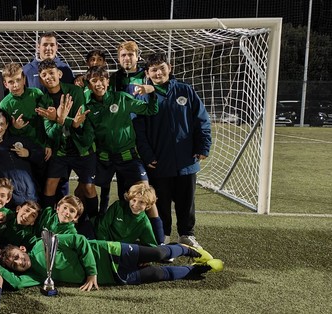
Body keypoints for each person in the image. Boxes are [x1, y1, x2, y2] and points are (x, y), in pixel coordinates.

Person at [133, 52, 212, 248]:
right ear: (147, 73)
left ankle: (186, 234)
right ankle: (164, 235)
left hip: (186, 159)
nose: (158, 73)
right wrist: (147, 154)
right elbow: (138, 131)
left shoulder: (185, 90)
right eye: (154, 70)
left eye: (161, 68)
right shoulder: (144, 97)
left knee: (186, 201)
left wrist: (203, 145)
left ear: (170, 68)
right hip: (159, 160)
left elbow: (201, 120)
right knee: (162, 201)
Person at [0, 233, 222, 291]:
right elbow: (19, 284)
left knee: (158, 254)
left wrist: (91, 273)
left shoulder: (45, 241)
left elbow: (81, 241)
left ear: (22, 249)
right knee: (157, 275)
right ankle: (192, 270)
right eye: (14, 264)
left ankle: (187, 249)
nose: (18, 262)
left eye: (16, 257)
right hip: (112, 277)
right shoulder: (36, 276)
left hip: (111, 252)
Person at [81, 66, 158, 217]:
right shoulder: (87, 107)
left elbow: (150, 110)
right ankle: (92, 222)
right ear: (89, 85)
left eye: (102, 80)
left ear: (108, 82)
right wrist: (77, 125)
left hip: (127, 156)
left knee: (145, 191)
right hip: (104, 159)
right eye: (94, 81)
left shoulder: (121, 98)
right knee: (86, 187)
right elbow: (87, 138)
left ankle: (159, 236)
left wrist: (152, 92)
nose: (99, 84)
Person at [35, 60, 96, 221]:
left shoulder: (75, 92)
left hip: (82, 148)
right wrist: (59, 121)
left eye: (51, 72)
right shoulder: (43, 101)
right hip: (60, 150)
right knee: (50, 186)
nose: (49, 77)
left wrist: (60, 119)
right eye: (44, 75)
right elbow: (50, 133)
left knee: (88, 188)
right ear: (41, 80)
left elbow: (79, 121)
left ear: (59, 74)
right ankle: (47, 221)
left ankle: (92, 222)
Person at [93, 183, 164, 247]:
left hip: (121, 248)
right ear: (129, 198)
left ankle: (173, 248)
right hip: (100, 238)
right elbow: (101, 227)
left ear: (147, 205)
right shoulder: (118, 206)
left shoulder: (144, 222)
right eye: (134, 200)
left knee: (158, 253)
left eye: (141, 202)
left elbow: (151, 245)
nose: (135, 205)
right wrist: (105, 246)